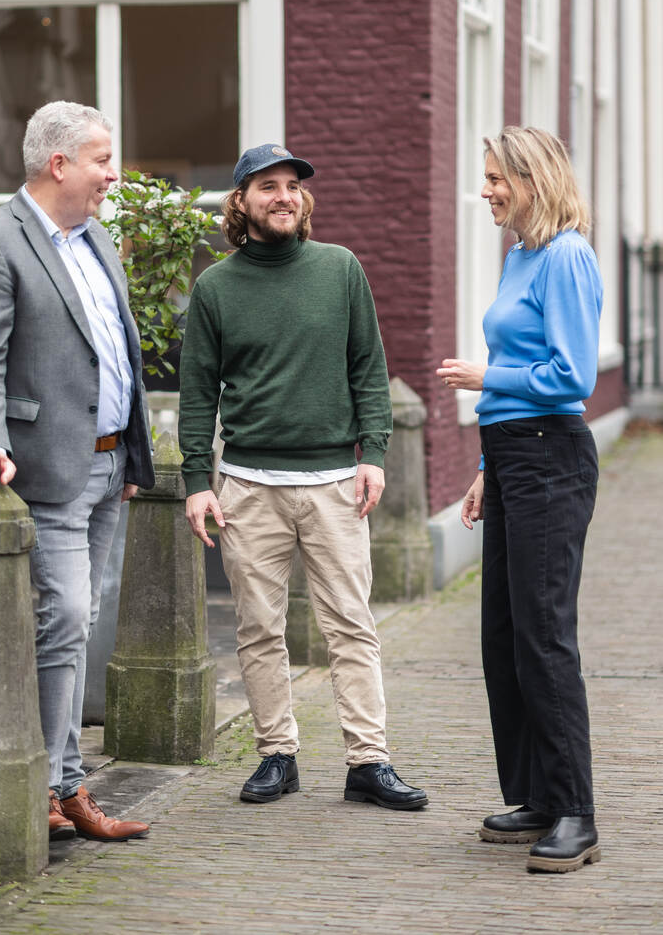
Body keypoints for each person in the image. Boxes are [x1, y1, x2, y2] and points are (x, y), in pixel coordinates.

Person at [179, 143, 428, 811]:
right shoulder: (215, 288)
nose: (285, 196)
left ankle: (368, 762)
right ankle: (277, 755)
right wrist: (196, 481)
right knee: (260, 627)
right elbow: (198, 391)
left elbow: (369, 370)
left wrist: (373, 451)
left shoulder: (340, 269)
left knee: (351, 623)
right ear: (242, 201)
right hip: (247, 485)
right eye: (268, 186)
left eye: (292, 185)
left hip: (332, 482)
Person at [0, 100, 155, 844]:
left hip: (107, 470)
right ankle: (54, 783)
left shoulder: (98, 238)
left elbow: (117, 354)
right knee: (63, 618)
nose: (114, 173)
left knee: (77, 621)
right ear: (58, 162)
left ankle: (59, 781)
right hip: (47, 467)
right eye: (103, 158)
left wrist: (130, 451)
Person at [437, 125, 602, 874]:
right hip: (510, 457)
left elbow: (573, 377)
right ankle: (535, 793)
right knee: (503, 636)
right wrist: (481, 466)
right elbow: (517, 361)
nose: (488, 189)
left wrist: (483, 379)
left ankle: (576, 811)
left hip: (550, 456)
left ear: (535, 179)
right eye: (487, 176)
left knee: (543, 634)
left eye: (499, 177)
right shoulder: (520, 257)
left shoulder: (567, 255)